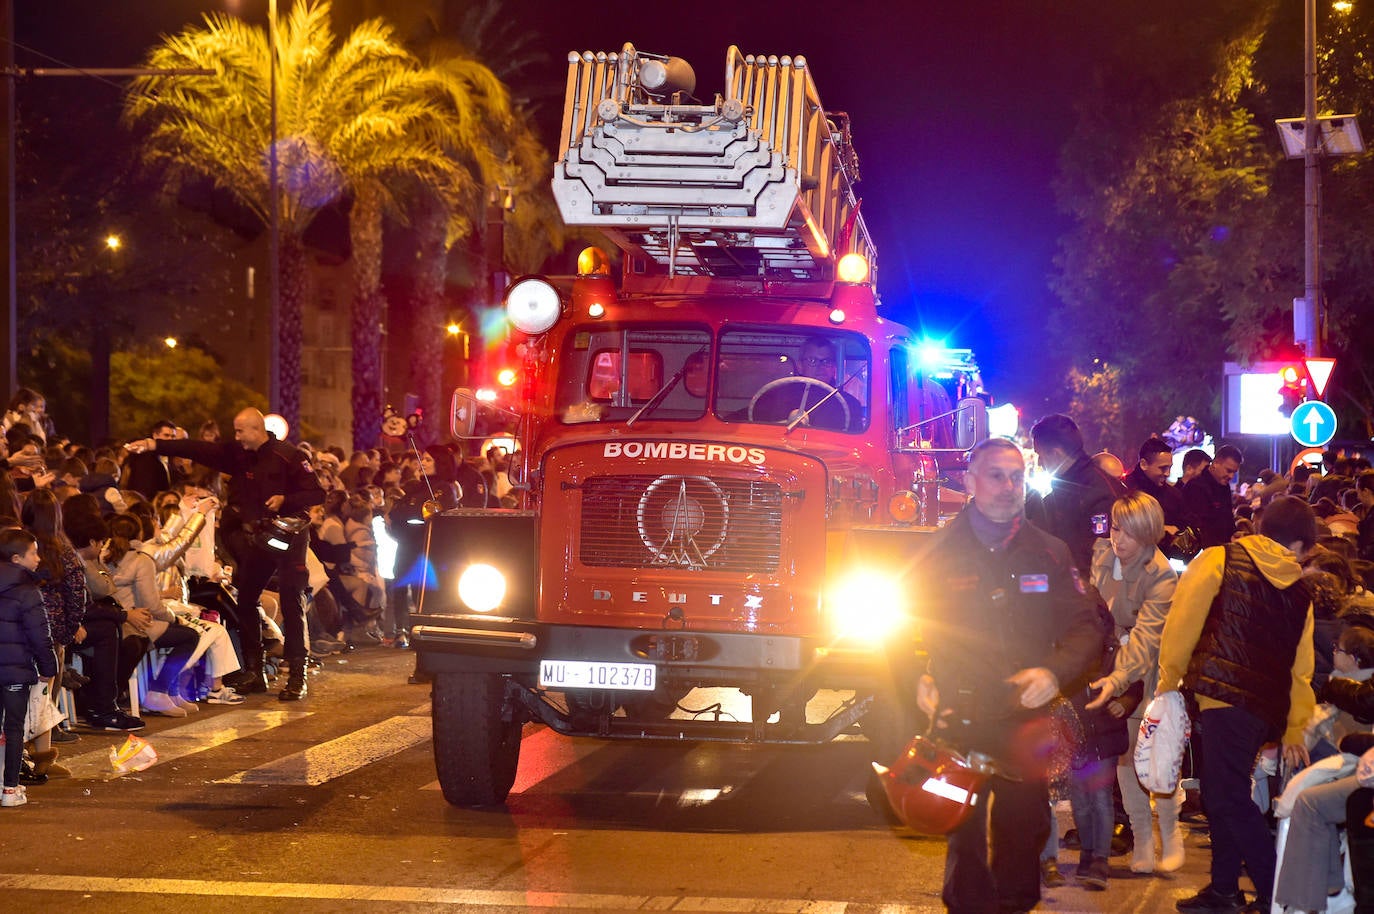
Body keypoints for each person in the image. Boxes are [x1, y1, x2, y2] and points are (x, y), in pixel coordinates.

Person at [909, 437, 1101, 914]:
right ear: (970, 481)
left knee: (1024, 828)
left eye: (1017, 477)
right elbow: (899, 624)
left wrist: (1054, 673)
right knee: (962, 828)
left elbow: (1087, 626)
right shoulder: (937, 552)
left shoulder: (1050, 552)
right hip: (959, 714)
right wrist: (916, 674)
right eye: (996, 475)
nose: (1008, 486)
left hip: (1024, 717)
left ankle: (1015, 905)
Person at [1158, 495, 1318, 914]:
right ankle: (1224, 889)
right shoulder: (1301, 592)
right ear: (1298, 545)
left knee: (1226, 797)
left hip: (1220, 696)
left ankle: (1275, 894)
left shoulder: (1219, 558)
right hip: (1263, 711)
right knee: (1223, 793)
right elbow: (1302, 669)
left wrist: (1168, 679)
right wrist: (1295, 726)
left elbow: (1182, 621)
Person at [126, 408, 324, 701]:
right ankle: (254, 670)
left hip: (290, 536)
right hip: (257, 538)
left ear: (256, 429)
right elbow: (198, 449)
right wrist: (154, 445)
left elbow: (317, 493)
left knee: (292, 600)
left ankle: (297, 674)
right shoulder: (238, 454)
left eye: (240, 431)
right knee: (246, 599)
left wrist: (286, 499)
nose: (236, 436)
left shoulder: (289, 456)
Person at [1084, 491, 1183, 874]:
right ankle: (1142, 838)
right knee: (1125, 757)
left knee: (1156, 755)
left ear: (1148, 533)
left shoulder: (1161, 574)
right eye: (1115, 528)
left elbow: (1146, 641)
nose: (1117, 538)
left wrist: (1118, 678)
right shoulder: (1101, 556)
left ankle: (1170, 833)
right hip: (1109, 667)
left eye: (1128, 532)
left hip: (1150, 672)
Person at [0, 528, 57, 808]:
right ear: (16, 559)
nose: (38, 558)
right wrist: (49, 667)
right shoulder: (28, 591)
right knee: (13, 730)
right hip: (16, 672)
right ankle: (10, 789)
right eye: (33, 553)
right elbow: (40, 635)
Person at [1027, 413, 1127, 574]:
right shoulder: (1067, 488)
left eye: (1040, 455)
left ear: (1056, 453)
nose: (1039, 463)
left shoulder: (1099, 493)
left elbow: (1099, 558)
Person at [751, 336, 863, 432]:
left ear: (834, 368)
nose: (820, 366)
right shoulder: (776, 397)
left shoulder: (850, 405)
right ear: (800, 366)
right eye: (812, 360)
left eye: (826, 361)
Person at [1182, 444, 1242, 549]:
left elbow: (1228, 518)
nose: (1231, 476)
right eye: (1228, 471)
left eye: (1234, 472)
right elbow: (1200, 528)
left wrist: (1234, 533)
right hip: (1205, 552)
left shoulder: (1224, 486)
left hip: (1222, 549)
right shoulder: (1196, 487)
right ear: (1216, 463)